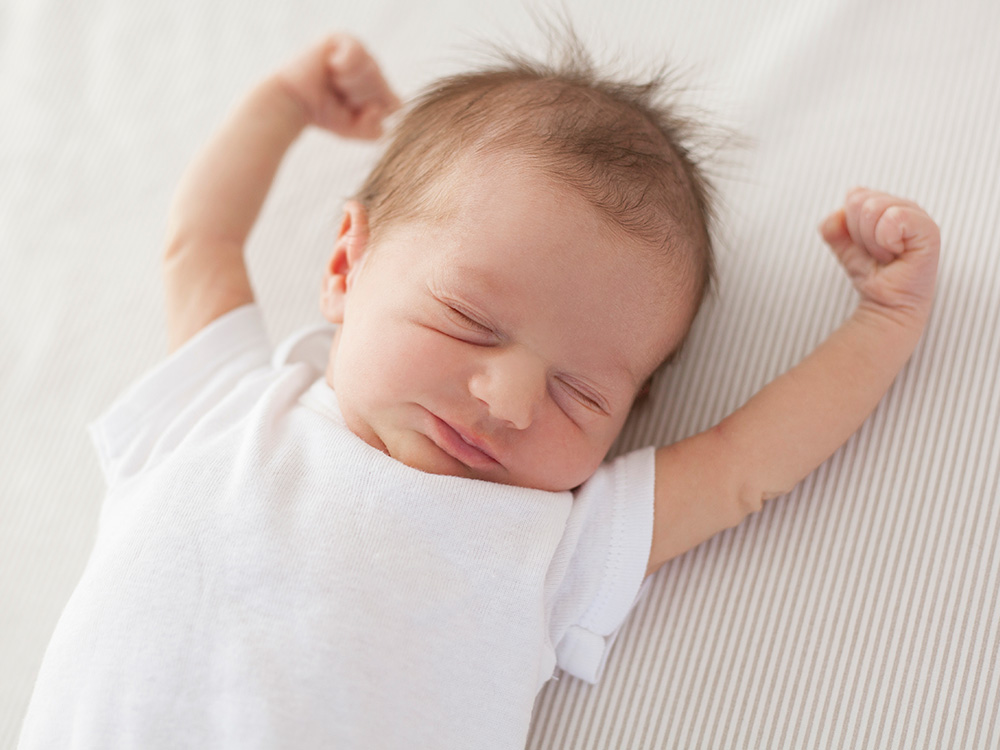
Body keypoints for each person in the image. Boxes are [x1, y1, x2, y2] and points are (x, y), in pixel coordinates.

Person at [18, 31, 939, 749]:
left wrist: (886, 324)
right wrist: (284, 102)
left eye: (581, 394)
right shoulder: (223, 408)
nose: (507, 399)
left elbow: (746, 466)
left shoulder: (546, 539)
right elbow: (200, 242)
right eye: (468, 320)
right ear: (347, 264)